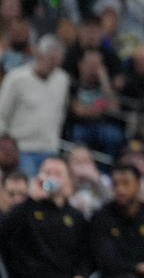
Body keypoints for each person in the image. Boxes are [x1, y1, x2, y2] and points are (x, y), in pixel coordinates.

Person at [0, 157, 90, 278]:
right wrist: (32, 199)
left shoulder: (76, 217)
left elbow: (86, 253)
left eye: (58, 174)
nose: (51, 178)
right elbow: (6, 232)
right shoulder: (27, 209)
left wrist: (81, 274)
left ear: (68, 180)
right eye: (47, 173)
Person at [89, 163, 144, 278]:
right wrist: (139, 267)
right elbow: (106, 261)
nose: (120, 189)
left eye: (126, 183)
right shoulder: (101, 217)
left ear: (138, 185)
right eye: (116, 184)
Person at [0, 34, 70, 176]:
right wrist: (4, 141)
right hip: (23, 149)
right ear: (39, 55)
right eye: (50, 60)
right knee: (28, 186)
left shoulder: (62, 79)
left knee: (51, 187)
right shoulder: (16, 78)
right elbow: (1, 113)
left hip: (51, 149)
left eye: (57, 62)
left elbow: (60, 113)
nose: (53, 66)